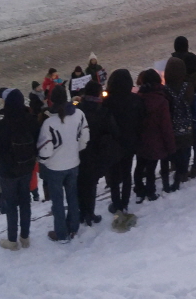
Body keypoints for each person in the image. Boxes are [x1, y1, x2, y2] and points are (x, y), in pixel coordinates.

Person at [0, 88, 39, 250]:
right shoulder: (31, 121)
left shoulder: (1, 126)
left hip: (8, 172)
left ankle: (12, 240)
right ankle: (25, 237)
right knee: (25, 202)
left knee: (11, 206)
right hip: (27, 168)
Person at [37, 86, 89, 242]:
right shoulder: (79, 114)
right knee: (73, 196)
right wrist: (75, 152)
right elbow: (84, 138)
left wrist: (43, 161)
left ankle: (61, 233)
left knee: (57, 202)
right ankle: (73, 227)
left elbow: (45, 150)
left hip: (55, 168)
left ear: (51, 99)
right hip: (73, 164)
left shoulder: (49, 122)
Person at [103, 69, 143, 230]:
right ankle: (125, 203)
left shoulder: (108, 102)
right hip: (130, 142)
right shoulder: (135, 99)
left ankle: (116, 203)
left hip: (114, 144)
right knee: (126, 173)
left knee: (114, 175)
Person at [76, 79, 119, 227]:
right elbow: (114, 132)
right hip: (96, 153)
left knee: (81, 183)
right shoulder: (103, 111)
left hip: (80, 153)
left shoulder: (78, 110)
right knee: (91, 184)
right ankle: (89, 213)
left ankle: (81, 213)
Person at [134, 69, 174, 203]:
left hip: (141, 138)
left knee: (140, 166)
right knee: (151, 168)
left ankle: (139, 190)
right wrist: (170, 146)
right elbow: (166, 126)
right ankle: (151, 192)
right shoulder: (162, 100)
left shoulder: (138, 98)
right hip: (156, 140)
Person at [170, 36, 196, 177]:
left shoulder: (174, 63)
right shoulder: (195, 61)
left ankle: (181, 168)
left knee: (182, 143)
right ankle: (195, 167)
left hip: (180, 111)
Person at [161, 57, 195, 190]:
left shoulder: (165, 90)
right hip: (187, 124)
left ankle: (173, 172)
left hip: (172, 125)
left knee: (173, 151)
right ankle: (183, 173)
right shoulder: (188, 87)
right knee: (186, 150)